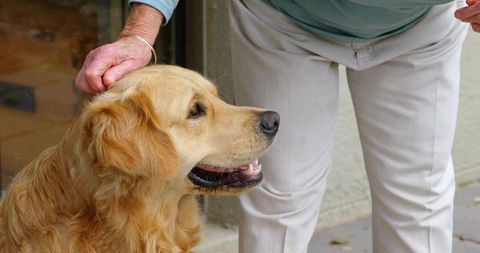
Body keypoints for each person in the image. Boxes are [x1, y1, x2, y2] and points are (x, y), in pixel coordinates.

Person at [75, 1, 480, 252]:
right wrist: (140, 33)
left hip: (419, 26)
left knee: (418, 194)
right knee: (279, 195)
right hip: (284, 22)